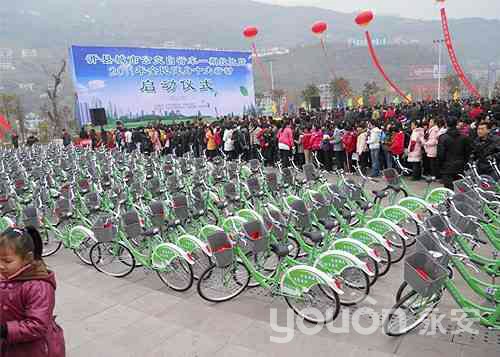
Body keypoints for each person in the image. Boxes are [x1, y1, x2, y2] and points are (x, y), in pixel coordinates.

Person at [0, 227, 65, 356]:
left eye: (7, 261)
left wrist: (5, 330)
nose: (1, 265)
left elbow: (38, 325)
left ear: (27, 258)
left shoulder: (38, 286)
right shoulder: (6, 274)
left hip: (33, 350)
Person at [438, 117, 471, 190]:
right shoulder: (464, 137)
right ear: (456, 124)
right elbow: (467, 152)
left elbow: (441, 154)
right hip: (460, 165)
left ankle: (450, 201)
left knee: (449, 190)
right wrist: (464, 162)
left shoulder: (443, 137)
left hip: (447, 167)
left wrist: (440, 165)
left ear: (446, 124)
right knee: (460, 189)